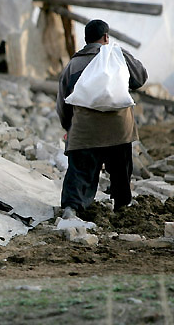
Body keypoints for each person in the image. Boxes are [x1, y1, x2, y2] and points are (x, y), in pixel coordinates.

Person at [56, 19, 148, 219]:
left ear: (86, 40)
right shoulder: (117, 56)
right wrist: (121, 53)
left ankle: (72, 208)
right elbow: (140, 78)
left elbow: (63, 103)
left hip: (85, 130)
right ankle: (122, 205)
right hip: (119, 130)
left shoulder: (74, 65)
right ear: (106, 37)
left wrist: (70, 127)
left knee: (79, 171)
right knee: (120, 169)